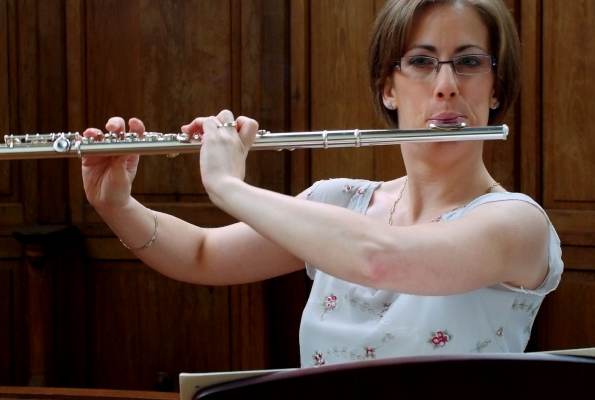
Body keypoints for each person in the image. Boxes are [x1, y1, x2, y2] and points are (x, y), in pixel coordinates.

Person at [81, 0, 562, 368]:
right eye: (421, 61)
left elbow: (379, 260)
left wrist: (227, 185)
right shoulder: (337, 202)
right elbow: (201, 253)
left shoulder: (517, 224)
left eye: (470, 62)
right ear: (388, 88)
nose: (446, 85)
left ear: (496, 88)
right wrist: (117, 204)